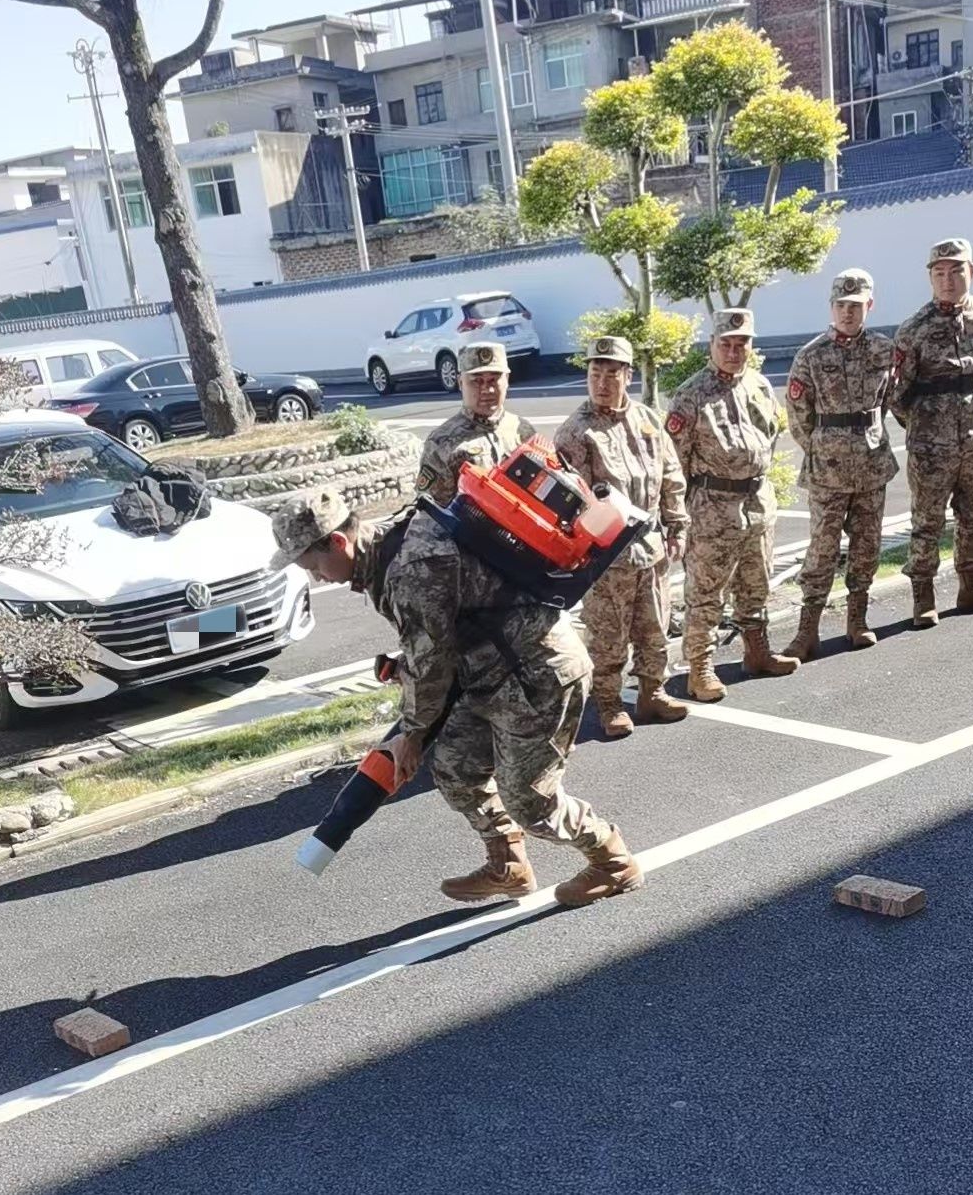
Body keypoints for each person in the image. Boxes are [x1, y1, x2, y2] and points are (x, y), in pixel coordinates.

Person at [270, 487, 644, 908]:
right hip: (486, 675)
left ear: (338, 542)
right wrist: (409, 672)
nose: (316, 576)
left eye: (312, 565)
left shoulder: (410, 566)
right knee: (455, 768)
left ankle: (611, 859)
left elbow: (432, 661)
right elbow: (437, 640)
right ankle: (508, 864)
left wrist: (410, 734)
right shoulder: (387, 550)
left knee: (531, 801)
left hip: (536, 675)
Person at [554, 336, 689, 738]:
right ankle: (610, 704)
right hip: (606, 553)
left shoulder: (647, 420)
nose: (602, 382)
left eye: (612, 373)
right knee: (608, 635)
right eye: (595, 373)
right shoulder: (576, 432)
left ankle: (653, 692)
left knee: (655, 627)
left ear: (628, 375)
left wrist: (677, 524)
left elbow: (670, 475)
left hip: (650, 546)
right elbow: (571, 501)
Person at [666, 309, 800, 703]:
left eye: (741, 344)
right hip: (712, 507)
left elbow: (771, 435)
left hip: (756, 501)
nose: (733, 351)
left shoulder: (759, 386)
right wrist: (679, 514)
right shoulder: (691, 394)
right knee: (706, 592)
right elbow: (674, 462)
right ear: (712, 345)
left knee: (755, 583)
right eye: (726, 344)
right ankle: (700, 668)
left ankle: (757, 652)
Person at [890, 238, 973, 627]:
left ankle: (971, 584)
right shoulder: (913, 330)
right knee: (927, 523)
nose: (948, 280)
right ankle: (922, 596)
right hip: (930, 447)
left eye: (956, 271)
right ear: (930, 277)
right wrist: (926, 426)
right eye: (940, 273)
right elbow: (896, 393)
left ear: (970, 272)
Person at [782, 269, 898, 659]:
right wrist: (825, 447)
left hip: (871, 462)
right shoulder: (811, 355)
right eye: (842, 306)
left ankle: (857, 620)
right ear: (832, 307)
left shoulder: (884, 350)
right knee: (822, 550)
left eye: (856, 305)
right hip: (828, 469)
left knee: (867, 545)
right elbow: (798, 416)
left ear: (870, 305)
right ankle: (807, 630)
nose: (849, 313)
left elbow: (891, 398)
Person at [415, 341, 534, 505]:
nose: (487, 390)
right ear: (460, 383)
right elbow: (430, 512)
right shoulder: (441, 442)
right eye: (477, 381)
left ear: (506, 380)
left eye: (493, 380)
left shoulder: (523, 430)